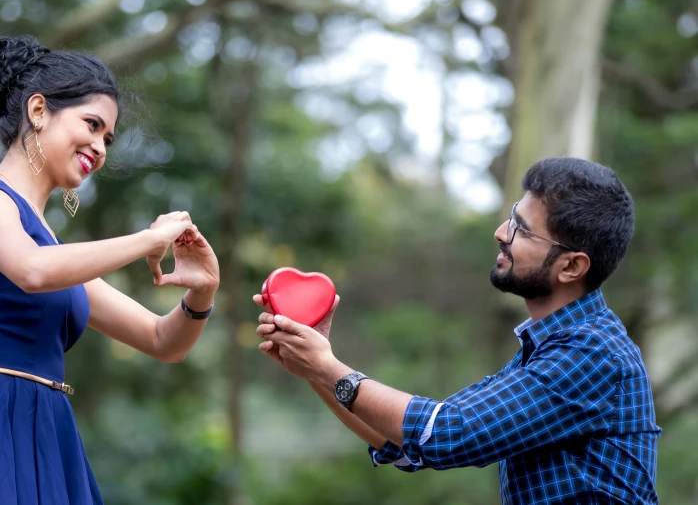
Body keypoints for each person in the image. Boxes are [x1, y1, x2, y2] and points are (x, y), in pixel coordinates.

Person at [0, 35, 220, 505]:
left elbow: (164, 342)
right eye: (92, 125)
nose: (100, 147)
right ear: (39, 111)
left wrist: (202, 293)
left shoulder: (55, 249)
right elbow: (32, 271)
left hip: (47, 428)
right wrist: (147, 238)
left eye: (108, 138)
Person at [254, 157, 661, 504]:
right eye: (511, 217)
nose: (502, 233)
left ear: (571, 266)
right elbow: (409, 446)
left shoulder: (592, 354)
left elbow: (448, 434)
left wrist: (328, 369)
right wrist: (314, 366)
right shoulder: (548, 348)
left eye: (522, 229)